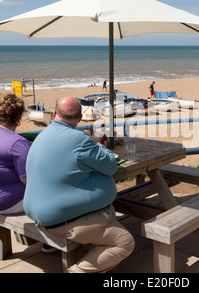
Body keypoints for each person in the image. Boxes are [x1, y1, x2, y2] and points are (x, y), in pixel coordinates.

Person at [23, 96, 135, 273]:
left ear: (54, 114)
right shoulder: (79, 140)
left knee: (107, 213)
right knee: (124, 242)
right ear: (80, 118)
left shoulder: (41, 136)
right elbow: (111, 166)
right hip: (60, 221)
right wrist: (100, 145)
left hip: (37, 212)